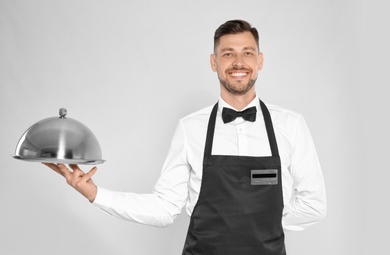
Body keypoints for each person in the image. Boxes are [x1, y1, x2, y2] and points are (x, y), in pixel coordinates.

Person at [44, 19, 326, 255]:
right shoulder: (191, 127)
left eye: (248, 53)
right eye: (228, 53)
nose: (238, 62)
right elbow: (165, 208)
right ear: (214, 62)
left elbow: (314, 204)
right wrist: (94, 193)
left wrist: (261, 221)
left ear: (260, 60)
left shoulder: (291, 125)